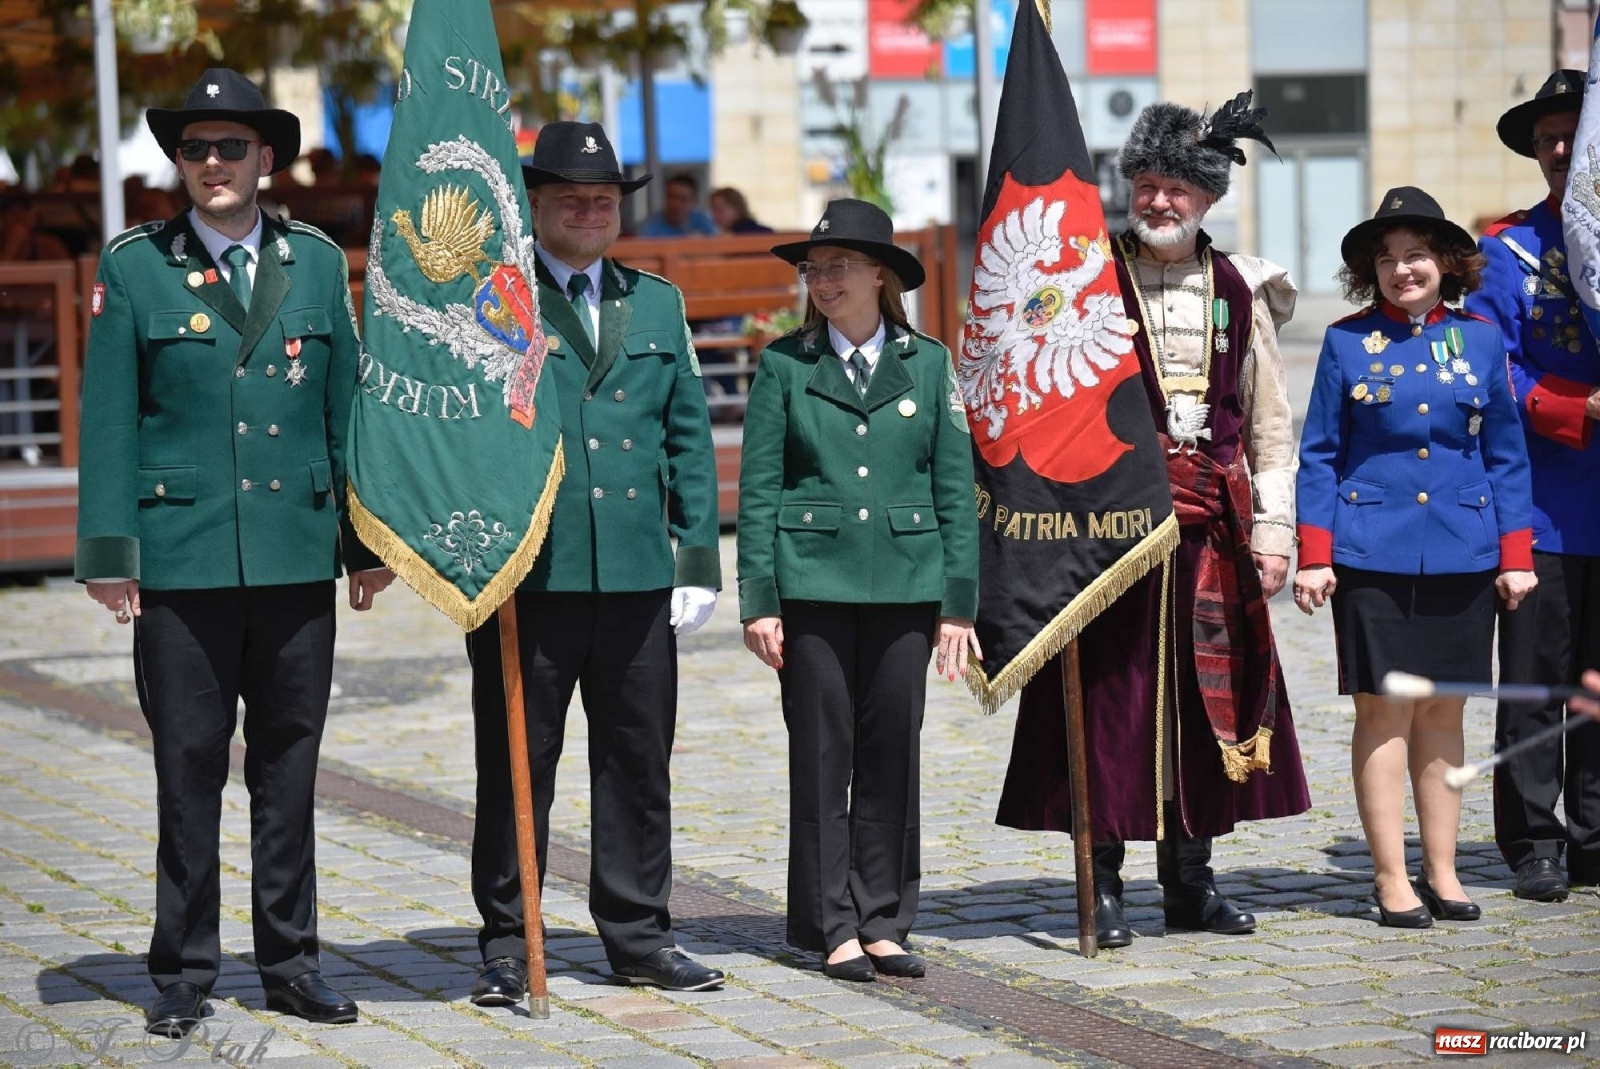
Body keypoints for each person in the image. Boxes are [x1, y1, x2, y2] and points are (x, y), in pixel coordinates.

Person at [73, 68, 394, 1038]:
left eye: (232, 147)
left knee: (290, 769)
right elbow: (110, 420)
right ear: (180, 163)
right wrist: (107, 550)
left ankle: (292, 961)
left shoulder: (313, 258)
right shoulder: (134, 266)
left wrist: (363, 542)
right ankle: (181, 969)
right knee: (187, 768)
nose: (213, 165)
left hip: (296, 559)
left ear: (266, 158)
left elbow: (344, 410)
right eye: (197, 149)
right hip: (182, 558)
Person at [995, 93, 1311, 948]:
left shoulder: (1243, 287)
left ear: (1208, 197)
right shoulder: (1085, 277)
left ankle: (1191, 883)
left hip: (1212, 530)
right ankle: (1102, 883)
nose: (1161, 200)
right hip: (1107, 539)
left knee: (1205, 706)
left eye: (1178, 187)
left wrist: (1275, 531)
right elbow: (1045, 403)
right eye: (1147, 183)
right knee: (1108, 708)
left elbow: (1271, 422)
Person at [465, 121, 724, 1003]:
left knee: (636, 761)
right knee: (516, 766)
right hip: (527, 579)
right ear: (536, 206)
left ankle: (639, 932)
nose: (588, 210)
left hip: (637, 578)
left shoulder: (655, 303)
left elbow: (686, 435)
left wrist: (697, 555)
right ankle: (509, 935)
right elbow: (459, 432)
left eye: (603, 199)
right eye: (571, 198)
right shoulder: (495, 297)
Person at [736, 199, 979, 980]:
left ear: (881, 275)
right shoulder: (785, 365)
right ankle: (828, 921)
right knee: (820, 751)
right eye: (814, 268)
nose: (823, 280)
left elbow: (953, 488)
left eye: (838, 266)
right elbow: (762, 488)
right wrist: (760, 597)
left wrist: (958, 605)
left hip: (907, 585)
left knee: (890, 754)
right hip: (812, 585)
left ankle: (883, 916)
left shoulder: (930, 363)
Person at [1294, 187, 1536, 927]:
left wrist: (1514, 553)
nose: (1403, 270)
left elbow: (1505, 454)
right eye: (1389, 259)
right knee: (1386, 712)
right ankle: (1392, 877)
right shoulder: (1343, 342)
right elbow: (1321, 456)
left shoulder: (1482, 341)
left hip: (1464, 553)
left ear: (1445, 264)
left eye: (1417, 256)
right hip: (1372, 555)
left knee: (1445, 712)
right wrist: (1315, 554)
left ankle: (1443, 869)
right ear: (1373, 272)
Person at [1464, 70, 1600, 903]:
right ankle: (1534, 838)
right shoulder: (1508, 249)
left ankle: (1592, 833)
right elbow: (1492, 368)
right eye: (1549, 137)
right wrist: (1578, 403)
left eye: (1575, 134)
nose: (1559, 149)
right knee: (1534, 684)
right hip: (1542, 506)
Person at [639, 173, 717, 237]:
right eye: (671, 197)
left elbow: (717, 246)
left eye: (683, 199)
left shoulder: (701, 221)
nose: (676, 204)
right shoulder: (652, 225)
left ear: (694, 202)